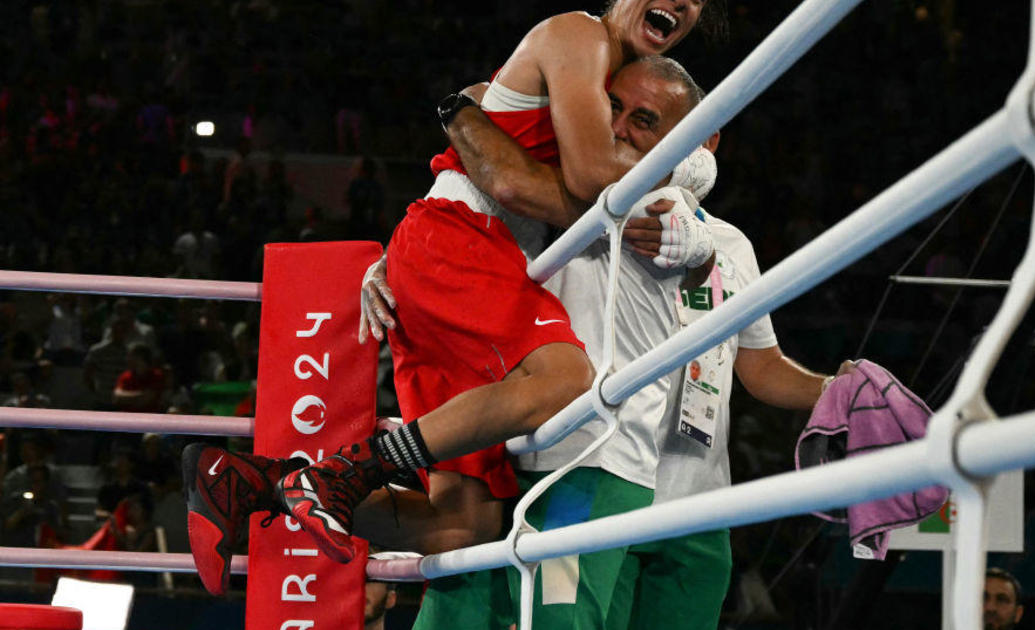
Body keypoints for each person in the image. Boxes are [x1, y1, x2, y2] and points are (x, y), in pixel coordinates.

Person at [183, 0, 720, 597]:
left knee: (463, 527)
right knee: (566, 380)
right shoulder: (580, 35)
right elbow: (592, 178)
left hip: (460, 256)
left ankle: (248, 482)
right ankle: (345, 472)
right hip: (464, 246)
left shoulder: (594, 76)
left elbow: (529, 166)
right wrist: (690, 171)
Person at [365, 56, 839, 630]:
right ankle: (332, 481)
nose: (617, 129)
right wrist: (395, 263)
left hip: (696, 503)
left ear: (704, 137)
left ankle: (328, 484)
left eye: (644, 119)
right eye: (610, 108)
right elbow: (469, 223)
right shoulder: (565, 210)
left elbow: (761, 369)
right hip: (584, 470)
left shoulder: (730, 243)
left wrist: (838, 389)